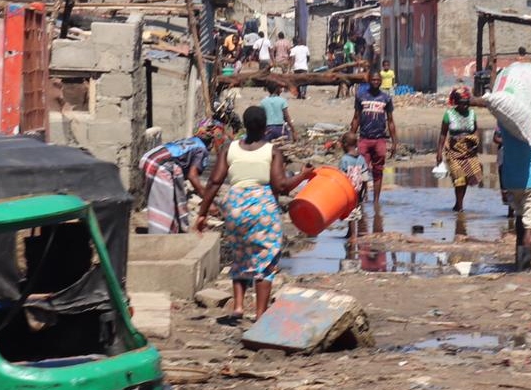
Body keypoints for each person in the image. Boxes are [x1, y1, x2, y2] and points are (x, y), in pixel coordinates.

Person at [195, 105, 315, 318]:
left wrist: (202, 213)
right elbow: (281, 186)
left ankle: (239, 306)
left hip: (235, 206)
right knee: (266, 259)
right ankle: (260, 312)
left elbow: (214, 182)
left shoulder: (229, 149)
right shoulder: (271, 151)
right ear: (265, 127)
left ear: (245, 126)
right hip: (262, 207)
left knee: (240, 253)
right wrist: (303, 176)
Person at [471, 78, 531, 271]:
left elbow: (499, 109)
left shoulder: (506, 124)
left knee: (519, 219)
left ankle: (518, 258)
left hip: (510, 180)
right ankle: (525, 265)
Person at [138, 119, 226, 233]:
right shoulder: (201, 150)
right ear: (214, 140)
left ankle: (174, 230)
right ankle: (160, 237)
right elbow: (192, 176)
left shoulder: (192, 141)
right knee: (163, 205)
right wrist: (208, 203)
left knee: (171, 197)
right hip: (159, 164)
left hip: (150, 158)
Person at [349, 68, 397, 208]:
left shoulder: (386, 98)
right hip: (364, 138)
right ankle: (360, 198)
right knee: (360, 171)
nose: (376, 82)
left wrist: (394, 142)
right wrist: (351, 138)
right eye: (373, 80)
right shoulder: (361, 96)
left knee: (378, 171)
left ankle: (376, 202)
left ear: (381, 81)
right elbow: (356, 118)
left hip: (380, 139)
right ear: (369, 81)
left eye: (378, 80)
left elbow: (391, 121)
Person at [435, 87, 483, 212]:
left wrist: (476, 143)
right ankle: (460, 206)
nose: (465, 106)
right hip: (453, 151)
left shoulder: (472, 114)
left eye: (467, 102)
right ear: (456, 102)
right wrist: (439, 152)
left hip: (469, 150)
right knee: (459, 177)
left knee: (467, 177)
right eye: (462, 102)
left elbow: (476, 130)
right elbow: (443, 134)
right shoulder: (449, 114)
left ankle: (458, 204)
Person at [338, 132, 370, 212]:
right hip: (359, 191)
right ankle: (361, 223)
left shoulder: (344, 159)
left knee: (350, 213)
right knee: (358, 210)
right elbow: (365, 177)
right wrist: (366, 192)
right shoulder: (361, 158)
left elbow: (341, 177)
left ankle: (352, 224)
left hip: (348, 191)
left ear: (345, 145)